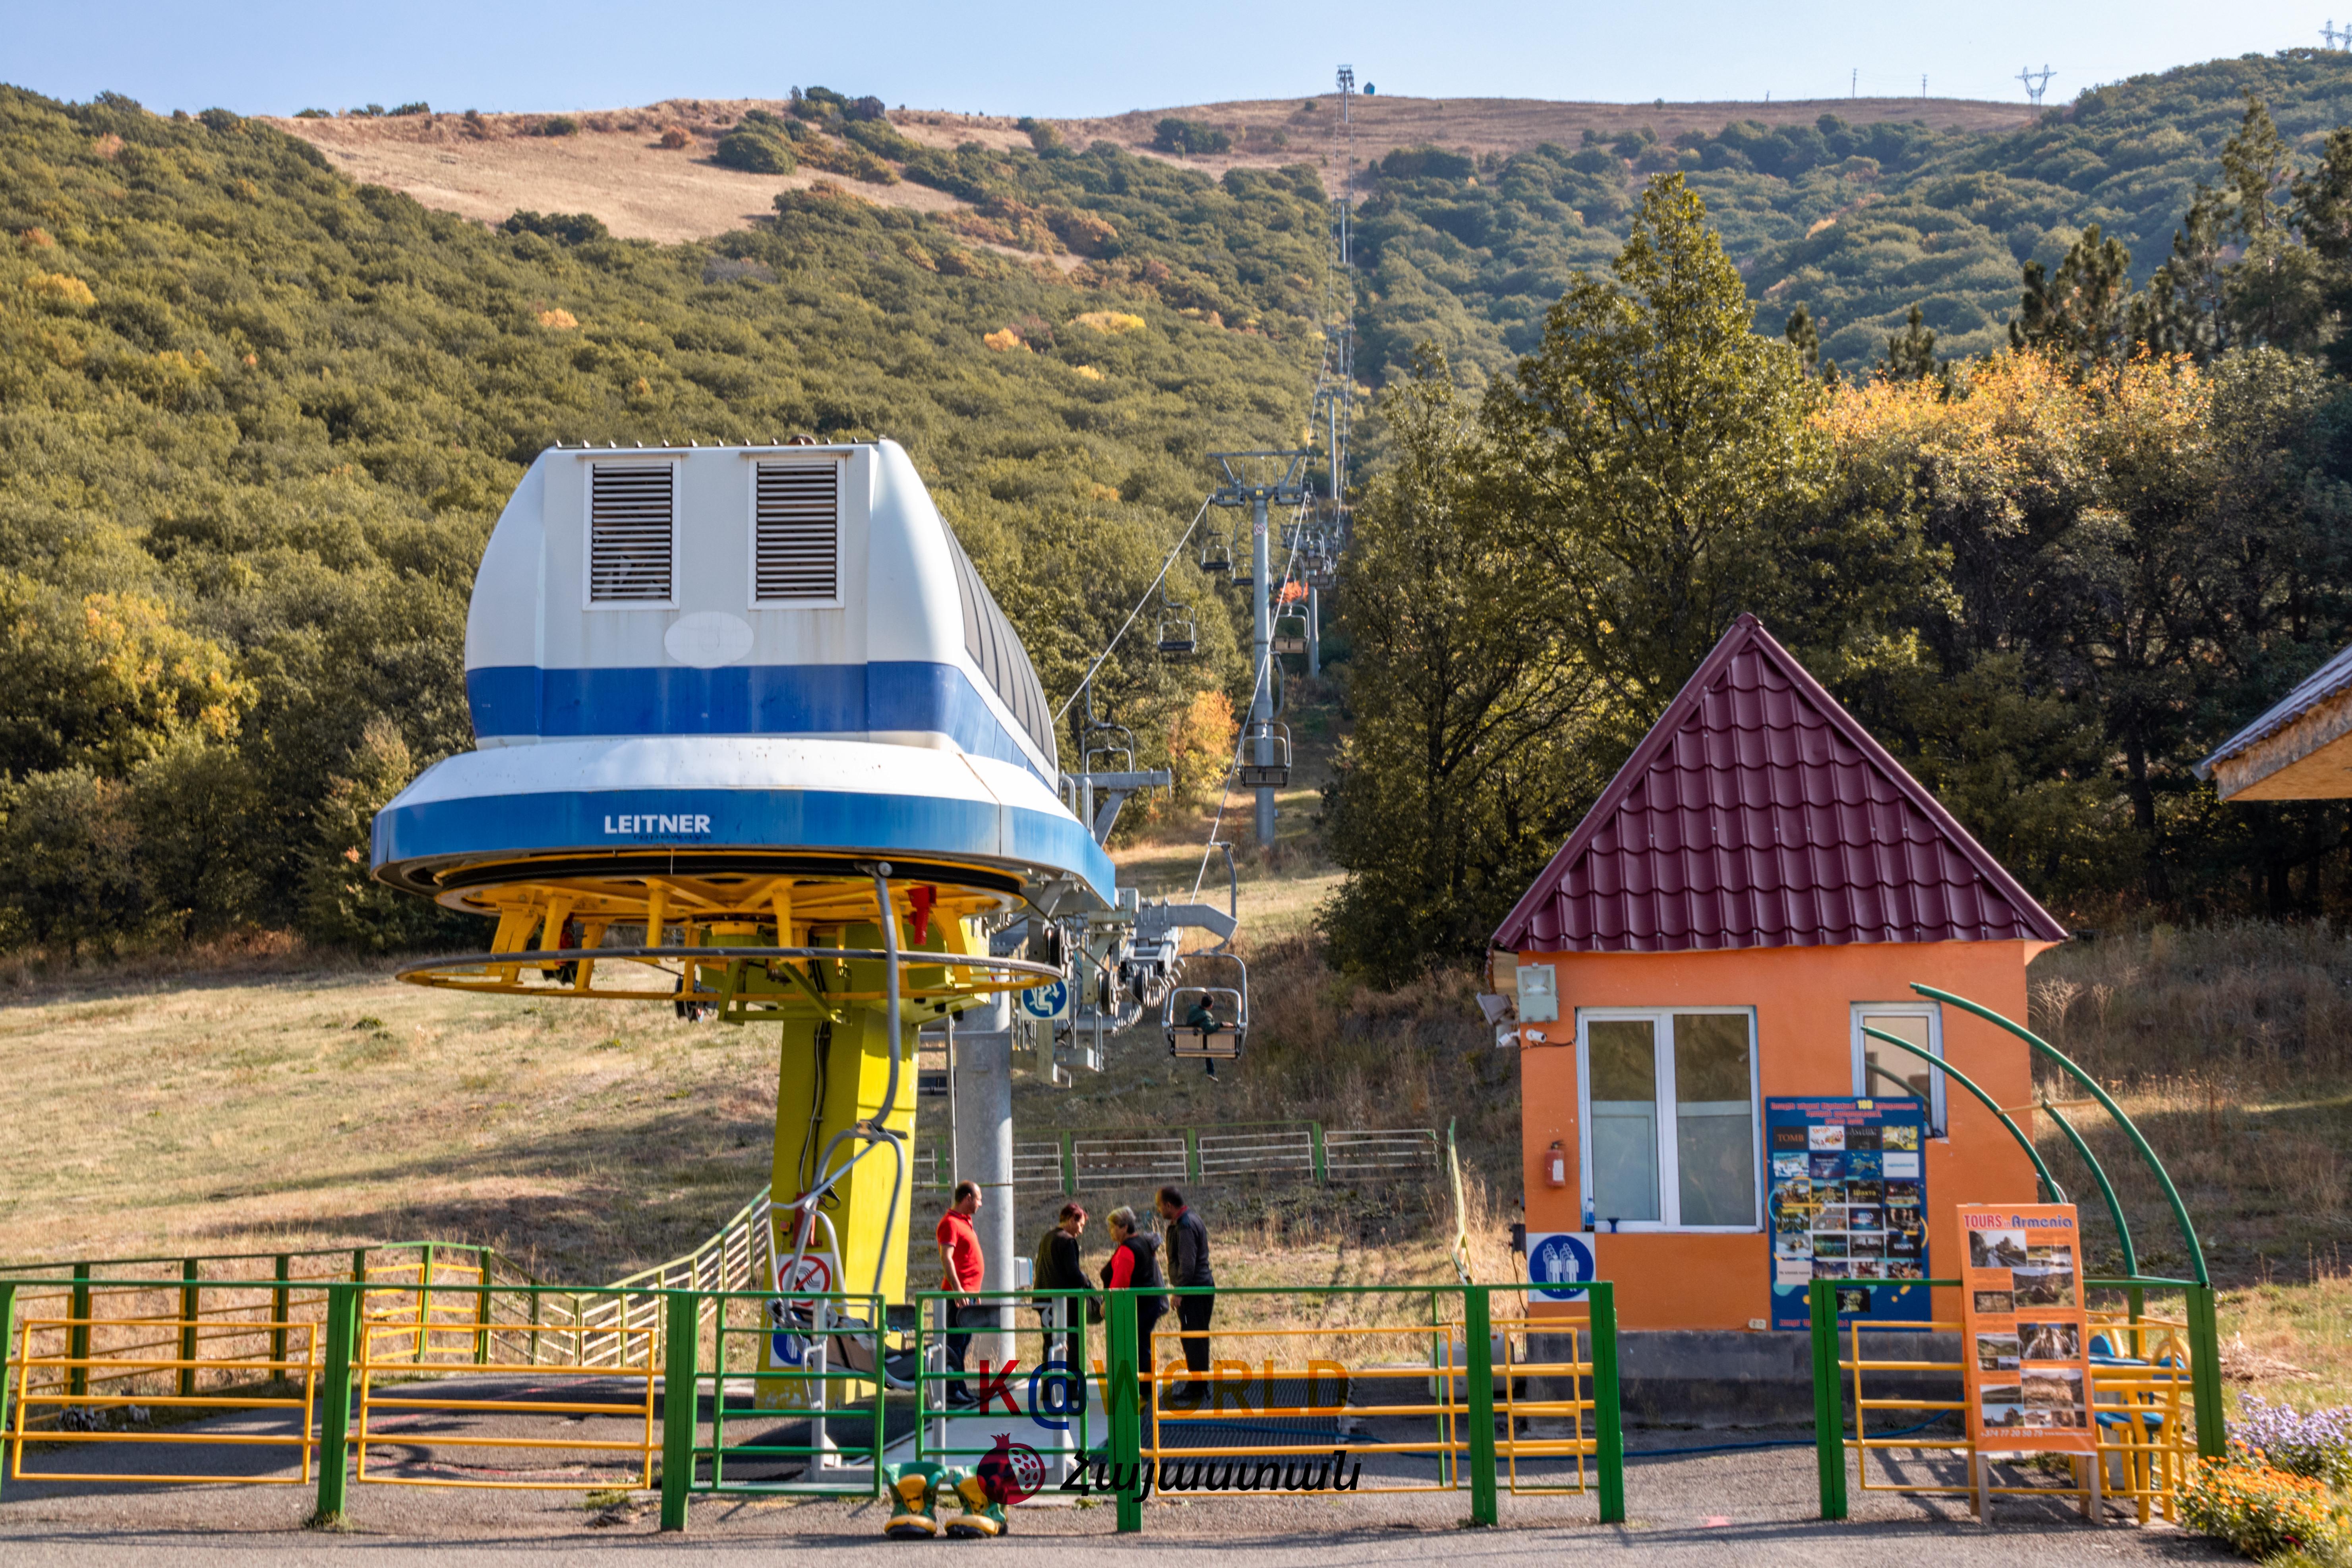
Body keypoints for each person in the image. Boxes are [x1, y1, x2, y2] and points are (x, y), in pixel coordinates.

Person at [935, 1180, 985, 1408]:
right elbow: (947, 1257)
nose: (980, 1204)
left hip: (969, 1294)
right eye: (978, 1199)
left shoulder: (965, 1222)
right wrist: (958, 1289)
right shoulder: (951, 1223)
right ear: (968, 1198)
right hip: (959, 1295)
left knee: (963, 1342)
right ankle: (952, 1391)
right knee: (955, 1344)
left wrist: (974, 1292)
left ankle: (960, 1389)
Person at [1032, 1202, 1094, 1377]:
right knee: (1072, 1346)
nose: (1081, 1231)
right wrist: (1086, 1280)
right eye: (1081, 1225)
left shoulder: (1047, 1237)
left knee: (1050, 1345)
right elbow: (1074, 1274)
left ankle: (1049, 1389)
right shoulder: (1068, 1241)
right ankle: (1072, 1388)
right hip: (1064, 1305)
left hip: (1044, 1302)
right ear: (1070, 1220)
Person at [1158, 1185, 1214, 1379]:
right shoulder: (1189, 1220)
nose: (1159, 1210)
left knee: (1193, 1339)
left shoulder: (1185, 1225)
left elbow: (1188, 1265)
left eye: (1160, 1206)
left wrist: (1180, 1292)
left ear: (1168, 1205)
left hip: (1194, 1292)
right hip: (1199, 1288)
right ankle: (1200, 1383)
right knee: (1196, 1338)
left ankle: (1197, 1386)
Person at [1099, 1206, 1165, 1365]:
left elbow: (1120, 1284)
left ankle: (1142, 1387)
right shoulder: (1142, 1242)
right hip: (1148, 1305)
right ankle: (1145, 1387)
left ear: (1124, 1227)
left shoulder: (1127, 1250)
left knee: (1138, 1350)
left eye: (1113, 1227)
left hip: (1136, 1308)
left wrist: (1107, 1304)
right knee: (1142, 1347)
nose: (1110, 1231)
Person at [1184, 994, 1222, 1078]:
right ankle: (1211, 1072)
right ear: (1211, 1005)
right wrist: (1221, 1025)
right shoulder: (1206, 1016)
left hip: (1187, 1042)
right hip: (1199, 1044)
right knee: (1208, 1046)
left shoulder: (1193, 1010)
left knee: (1206, 1043)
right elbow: (1209, 1029)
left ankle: (1211, 1072)